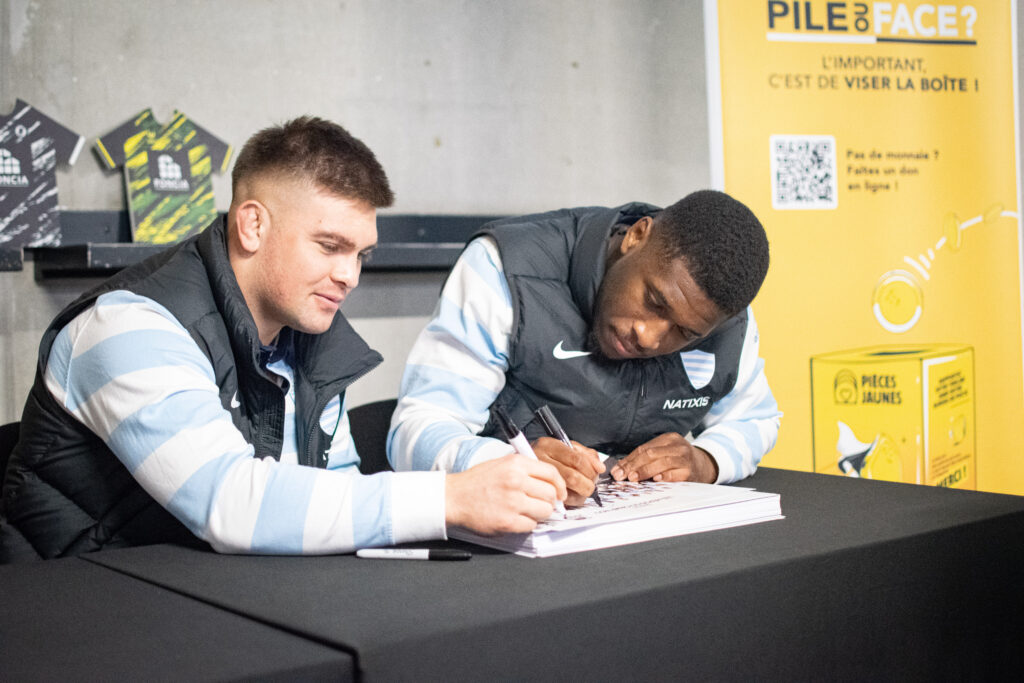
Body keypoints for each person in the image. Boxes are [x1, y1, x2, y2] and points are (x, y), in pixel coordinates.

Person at [0, 117, 564, 562]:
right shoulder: (126, 327)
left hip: (209, 609)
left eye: (360, 254)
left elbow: (330, 495)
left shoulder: (310, 334)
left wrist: (488, 472)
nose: (351, 275)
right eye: (330, 246)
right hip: (73, 619)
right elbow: (229, 501)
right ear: (252, 225)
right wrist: (450, 497)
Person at [388, 192, 781, 503]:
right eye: (654, 301)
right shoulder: (506, 269)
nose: (649, 336)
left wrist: (705, 461)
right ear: (636, 236)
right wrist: (506, 464)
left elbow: (756, 420)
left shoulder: (719, 316)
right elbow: (415, 431)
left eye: (684, 332)